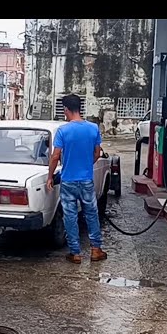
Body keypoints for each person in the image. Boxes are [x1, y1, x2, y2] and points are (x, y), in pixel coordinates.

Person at [46, 94, 107, 264]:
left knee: (70, 216)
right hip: (86, 180)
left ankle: (75, 253)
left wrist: (50, 177)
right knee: (91, 214)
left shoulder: (63, 131)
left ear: (66, 109)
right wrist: (87, 164)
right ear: (80, 108)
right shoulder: (93, 128)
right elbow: (97, 153)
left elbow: (55, 156)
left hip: (68, 181)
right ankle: (96, 250)